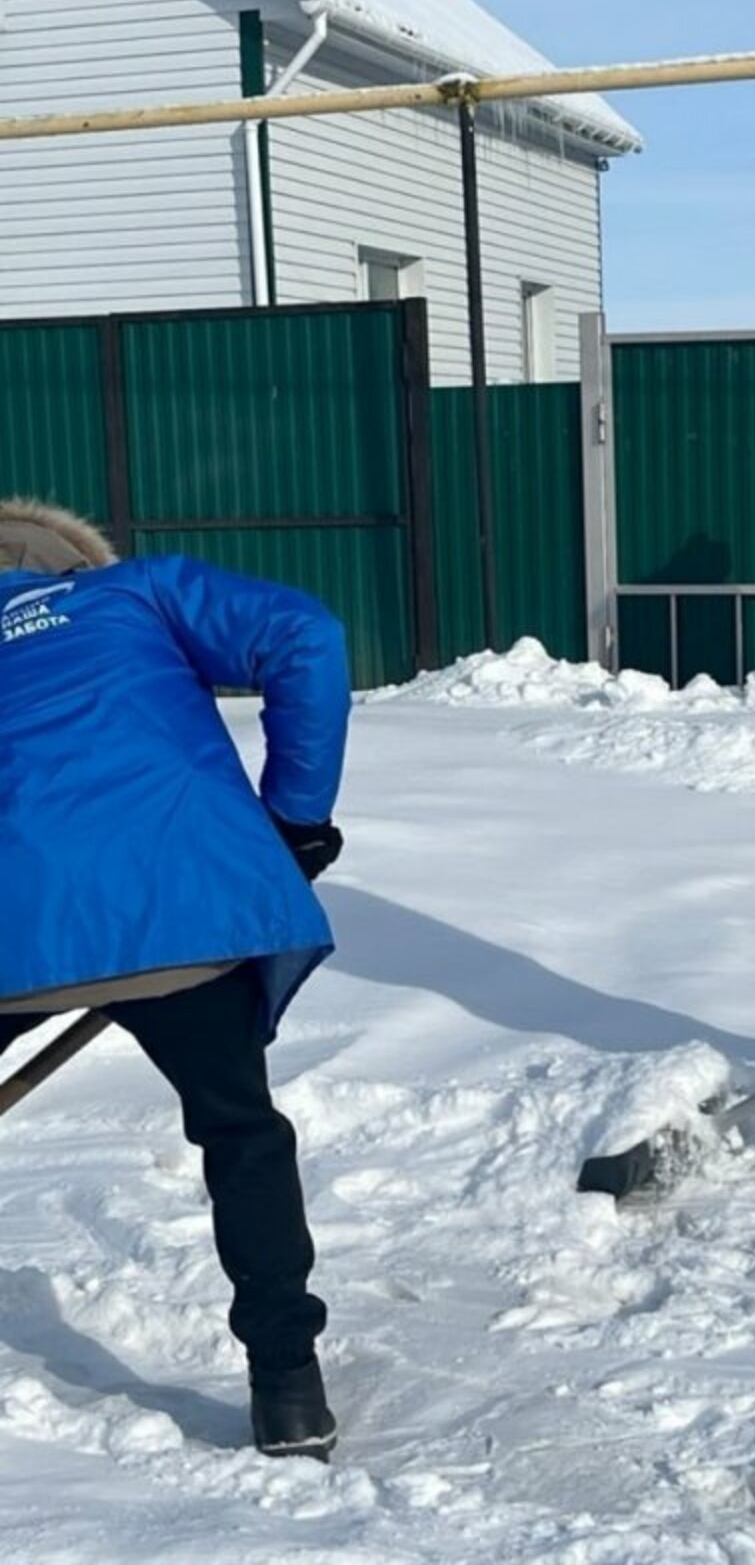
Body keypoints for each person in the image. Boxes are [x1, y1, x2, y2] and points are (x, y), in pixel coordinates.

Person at [0, 500, 350, 1459]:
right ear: (72, 563)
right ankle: (289, 1391)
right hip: (179, 907)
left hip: (11, 929)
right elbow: (303, 633)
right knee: (240, 1130)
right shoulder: (134, 594)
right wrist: (296, 823)